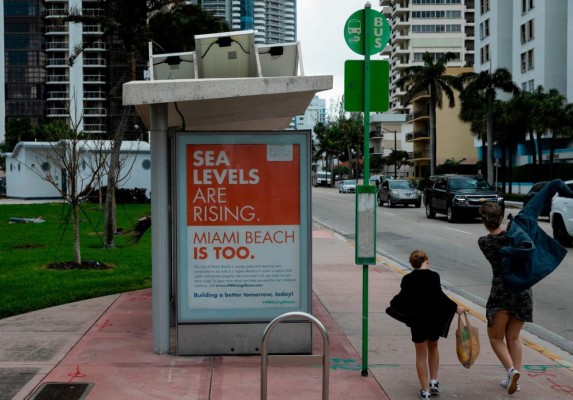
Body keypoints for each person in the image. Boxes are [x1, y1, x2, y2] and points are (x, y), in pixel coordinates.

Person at [387, 250, 464, 400]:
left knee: (420, 355)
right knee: (433, 347)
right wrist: (456, 308)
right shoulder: (434, 276)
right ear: (426, 260)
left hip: (417, 321)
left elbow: (402, 299)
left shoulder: (407, 279)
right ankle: (434, 381)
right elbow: (440, 297)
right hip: (433, 319)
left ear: (412, 264)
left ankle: (425, 391)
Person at [478, 202, 532, 395]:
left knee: (495, 337)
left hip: (501, 292)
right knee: (514, 337)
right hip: (523, 291)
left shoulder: (484, 242)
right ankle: (514, 379)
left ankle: (511, 371)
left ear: (484, 221)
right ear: (501, 217)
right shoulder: (515, 237)